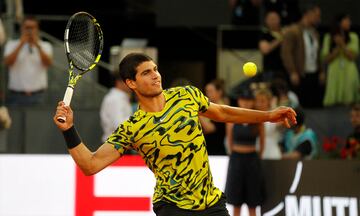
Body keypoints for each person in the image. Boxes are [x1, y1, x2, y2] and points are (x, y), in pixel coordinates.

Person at [53, 53, 297, 216]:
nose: (156, 75)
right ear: (131, 83)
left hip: (211, 203)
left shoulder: (186, 95)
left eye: (155, 69)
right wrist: (69, 130)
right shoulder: (132, 128)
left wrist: (268, 115)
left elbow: (222, 112)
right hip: (173, 207)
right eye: (146, 72)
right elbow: (90, 164)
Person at [225, 87, 265, 216]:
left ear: (252, 102)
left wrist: (256, 156)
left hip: (252, 160)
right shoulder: (232, 120)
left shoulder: (258, 120)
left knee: (252, 203)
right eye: (243, 100)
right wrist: (235, 154)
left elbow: (262, 143)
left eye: (249, 100)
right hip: (236, 159)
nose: (246, 103)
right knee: (236, 202)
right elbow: (229, 141)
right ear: (239, 101)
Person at [281, 4, 324, 108]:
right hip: (300, 74)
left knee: (314, 105)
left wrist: (322, 70)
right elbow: (286, 53)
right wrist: (292, 71)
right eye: (316, 15)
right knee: (300, 107)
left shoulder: (315, 32)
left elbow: (318, 53)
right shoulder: (293, 31)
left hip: (313, 73)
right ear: (308, 14)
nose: (319, 19)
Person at [4, 16, 53, 106]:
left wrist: (37, 45)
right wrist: (21, 44)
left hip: (39, 95)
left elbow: (48, 63)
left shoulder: (45, 45)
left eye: (32, 27)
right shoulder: (11, 44)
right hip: (16, 95)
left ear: (37, 29)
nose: (30, 31)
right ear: (21, 28)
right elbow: (7, 63)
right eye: (27, 27)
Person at [321, 13, 360, 106]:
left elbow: (352, 56)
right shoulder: (328, 37)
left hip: (349, 71)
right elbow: (326, 59)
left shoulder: (353, 36)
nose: (349, 22)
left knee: (349, 99)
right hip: (334, 71)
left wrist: (342, 45)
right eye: (346, 20)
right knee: (333, 101)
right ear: (339, 22)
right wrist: (337, 48)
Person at [100, 74, 133, 142]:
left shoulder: (120, 98)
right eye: (129, 81)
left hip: (118, 143)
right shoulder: (115, 99)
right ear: (119, 82)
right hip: (115, 144)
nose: (132, 84)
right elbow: (118, 125)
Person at [200, 79, 228, 155]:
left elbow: (209, 129)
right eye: (206, 91)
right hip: (206, 150)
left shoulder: (222, 109)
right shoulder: (208, 108)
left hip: (217, 151)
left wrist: (198, 112)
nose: (207, 94)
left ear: (219, 92)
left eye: (211, 91)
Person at [258, 11, 287, 82]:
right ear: (266, 21)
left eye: (275, 19)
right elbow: (265, 50)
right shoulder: (264, 34)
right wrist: (280, 39)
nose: (273, 21)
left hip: (285, 70)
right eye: (270, 19)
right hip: (270, 71)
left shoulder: (286, 32)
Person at [255, 88, 282, 159]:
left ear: (269, 101)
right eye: (257, 101)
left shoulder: (275, 115)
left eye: (262, 101)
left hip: (271, 153)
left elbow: (282, 123)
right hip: (255, 152)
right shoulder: (252, 116)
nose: (259, 104)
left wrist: (274, 106)